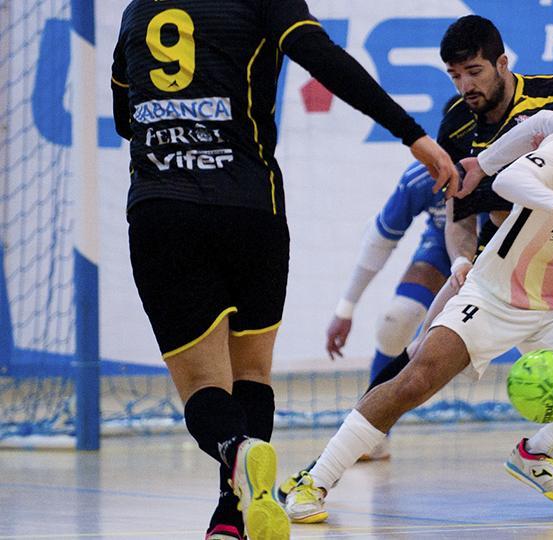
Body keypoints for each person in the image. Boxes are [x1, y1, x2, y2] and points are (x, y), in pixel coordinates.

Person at [295, 14, 553, 497]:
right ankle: (327, 465)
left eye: (474, 72)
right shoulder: (457, 124)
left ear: (502, 63)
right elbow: (461, 209)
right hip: (507, 259)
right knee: (418, 359)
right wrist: (460, 262)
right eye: (455, 76)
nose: (466, 85)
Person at [110, 1, 457, 539]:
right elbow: (322, 58)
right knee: (252, 374)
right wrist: (413, 134)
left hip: (163, 211)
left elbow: (123, 119)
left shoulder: (137, 10)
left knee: (204, 386)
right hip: (252, 209)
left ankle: (238, 454)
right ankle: (233, 517)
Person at [324, 160, 451, 460]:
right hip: (445, 249)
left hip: (511, 252)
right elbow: (380, 239)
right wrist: (346, 308)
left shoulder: (512, 159)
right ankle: (373, 433)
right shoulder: (425, 174)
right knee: (396, 320)